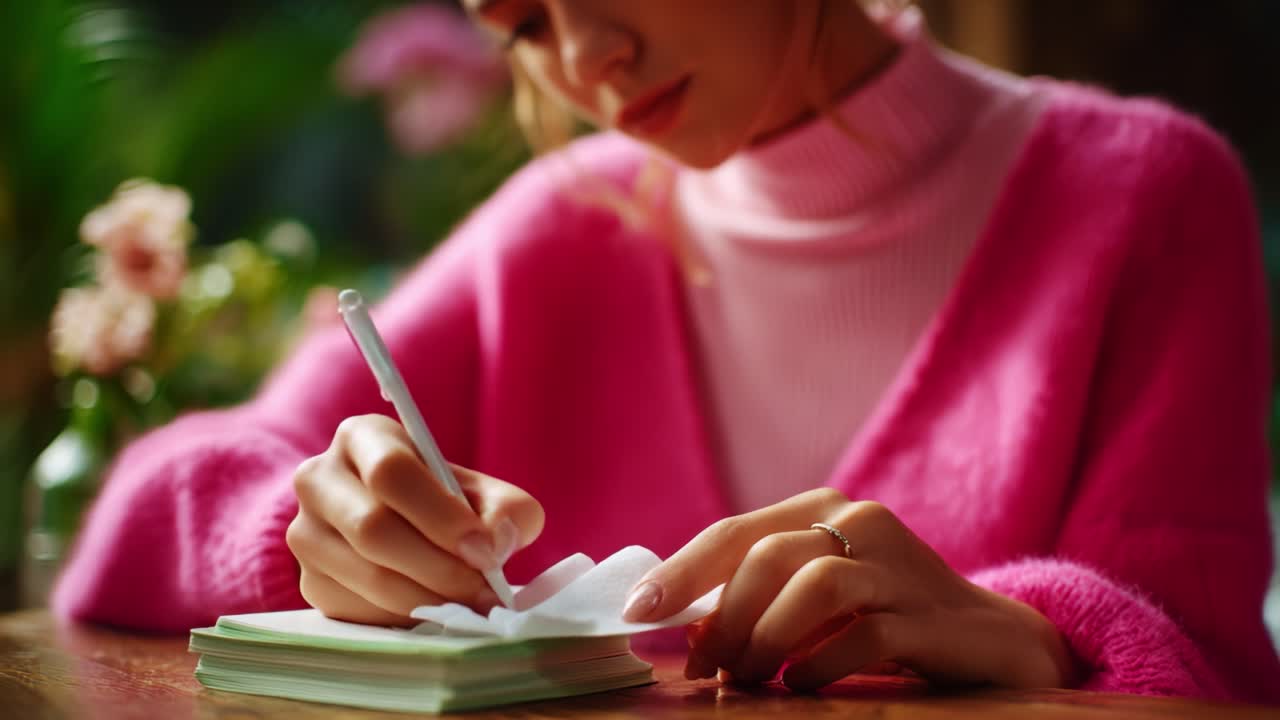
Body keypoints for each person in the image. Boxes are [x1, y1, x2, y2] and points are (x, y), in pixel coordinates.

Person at [53, 0, 1280, 702]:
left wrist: (1021, 631)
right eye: (522, 21)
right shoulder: (558, 229)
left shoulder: (1144, 199)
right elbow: (127, 529)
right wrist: (298, 524)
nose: (582, 58)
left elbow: (1212, 670)